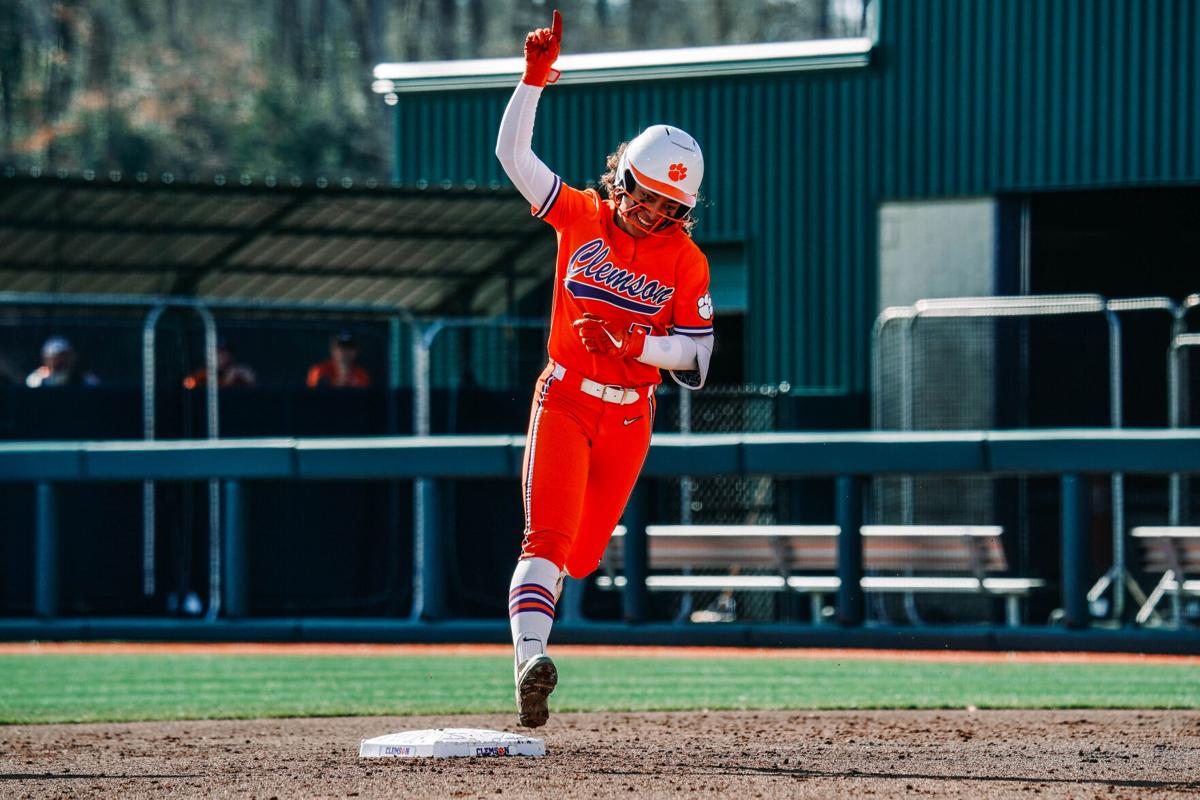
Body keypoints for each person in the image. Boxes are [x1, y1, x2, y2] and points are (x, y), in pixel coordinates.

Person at [495, 9, 715, 728]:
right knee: (548, 541)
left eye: (668, 205)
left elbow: (696, 355)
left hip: (629, 414)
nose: (653, 213)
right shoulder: (581, 215)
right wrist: (533, 81)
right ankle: (530, 660)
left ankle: (537, 635)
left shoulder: (685, 259)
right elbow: (513, 157)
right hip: (564, 399)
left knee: (584, 556)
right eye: (646, 195)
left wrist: (633, 345)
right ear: (620, 178)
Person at [26, 336, 100, 387]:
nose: (60, 361)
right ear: (46, 359)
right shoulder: (35, 381)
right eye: (55, 357)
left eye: (65, 356)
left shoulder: (87, 381)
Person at [183, 338, 257, 389]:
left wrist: (250, 381)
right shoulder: (201, 374)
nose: (219, 356)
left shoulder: (238, 373)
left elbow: (253, 393)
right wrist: (226, 382)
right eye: (215, 353)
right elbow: (187, 387)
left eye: (223, 352)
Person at [306, 331, 371, 388]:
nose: (345, 352)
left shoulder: (361, 374)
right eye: (341, 347)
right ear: (332, 351)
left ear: (356, 352)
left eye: (349, 347)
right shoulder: (319, 371)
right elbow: (311, 396)